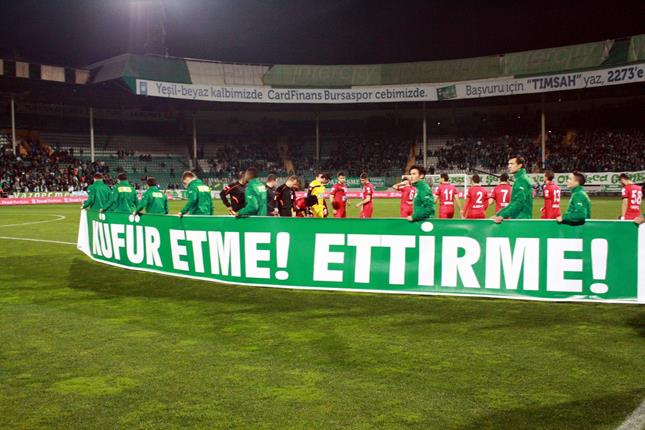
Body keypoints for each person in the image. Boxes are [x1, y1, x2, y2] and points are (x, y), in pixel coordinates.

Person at [492, 156, 533, 223]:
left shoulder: (521, 180)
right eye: (509, 164)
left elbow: (519, 202)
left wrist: (502, 215)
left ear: (519, 165)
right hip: (520, 219)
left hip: (521, 220)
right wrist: (498, 214)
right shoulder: (520, 178)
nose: (509, 166)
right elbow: (513, 202)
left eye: (512, 164)